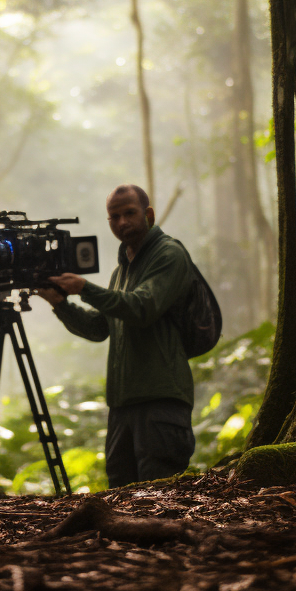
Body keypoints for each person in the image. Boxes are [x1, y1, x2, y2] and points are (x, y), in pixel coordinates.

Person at [37, 184, 195, 487]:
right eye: (114, 216)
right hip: (123, 404)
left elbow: (142, 307)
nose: (122, 222)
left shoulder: (168, 254)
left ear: (148, 214)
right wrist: (60, 303)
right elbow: (99, 329)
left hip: (161, 401)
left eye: (129, 213)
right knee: (120, 496)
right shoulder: (121, 270)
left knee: (156, 497)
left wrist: (85, 288)